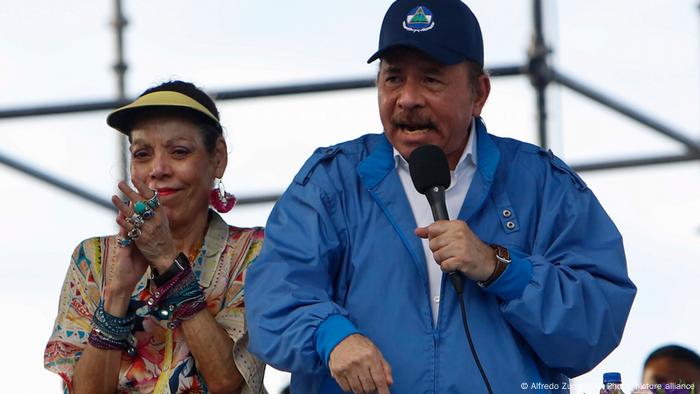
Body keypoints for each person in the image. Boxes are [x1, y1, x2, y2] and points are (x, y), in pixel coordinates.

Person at [245, 1, 637, 393]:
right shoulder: (330, 183)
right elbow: (273, 297)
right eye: (393, 79)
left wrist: (499, 266)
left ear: (478, 93)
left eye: (431, 80)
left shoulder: (543, 185)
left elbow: (596, 322)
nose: (408, 98)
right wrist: (331, 336)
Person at [44, 80, 265, 393]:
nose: (158, 169)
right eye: (143, 153)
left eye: (179, 152)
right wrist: (117, 293)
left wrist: (167, 263)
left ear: (218, 157)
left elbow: (227, 381)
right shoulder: (93, 258)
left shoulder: (254, 251)